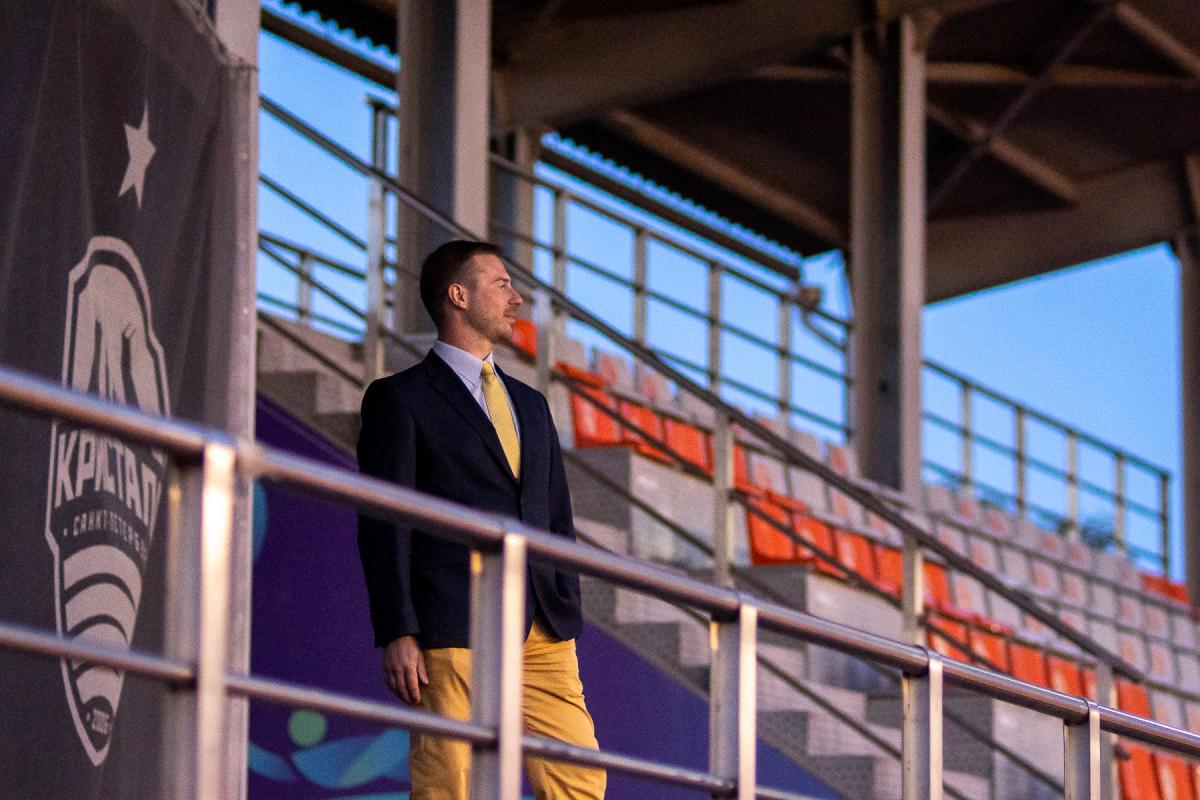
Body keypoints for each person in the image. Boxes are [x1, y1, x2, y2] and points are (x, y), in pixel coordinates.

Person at [356, 240, 605, 799]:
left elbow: (555, 517)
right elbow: (383, 520)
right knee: (451, 782)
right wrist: (397, 629)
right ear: (459, 296)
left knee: (580, 781)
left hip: (543, 625)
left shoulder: (532, 404)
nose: (517, 300)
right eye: (502, 285)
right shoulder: (399, 398)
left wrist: (563, 596)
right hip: (452, 619)